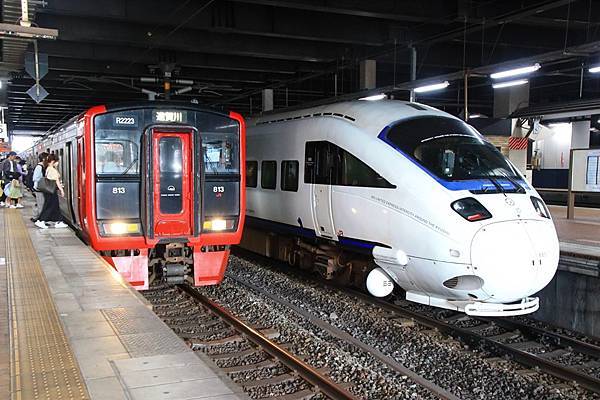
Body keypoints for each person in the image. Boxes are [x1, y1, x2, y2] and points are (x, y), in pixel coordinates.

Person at [35, 154, 68, 229]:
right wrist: (61, 190)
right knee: (50, 206)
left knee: (54, 206)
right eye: (57, 162)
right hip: (51, 191)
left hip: (48, 191)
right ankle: (41, 220)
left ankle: (58, 221)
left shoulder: (48, 168)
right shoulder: (52, 169)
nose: (58, 163)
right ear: (53, 161)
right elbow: (56, 181)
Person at [31, 152, 48, 221]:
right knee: (41, 204)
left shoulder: (43, 166)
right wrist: (44, 180)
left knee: (40, 203)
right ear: (44, 159)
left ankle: (36, 217)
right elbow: (35, 178)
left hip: (41, 188)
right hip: (39, 188)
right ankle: (41, 219)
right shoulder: (39, 167)